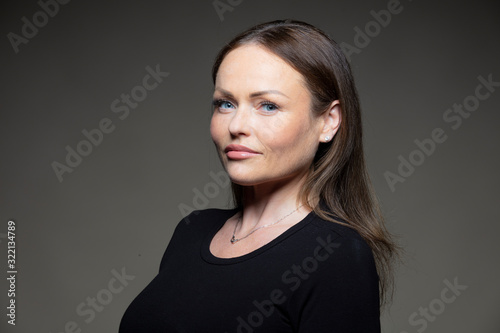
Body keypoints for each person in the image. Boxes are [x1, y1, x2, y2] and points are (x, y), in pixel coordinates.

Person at [119, 19, 398, 332]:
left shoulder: (335, 255)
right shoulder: (192, 230)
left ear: (328, 121)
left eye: (267, 106)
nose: (237, 125)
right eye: (225, 103)